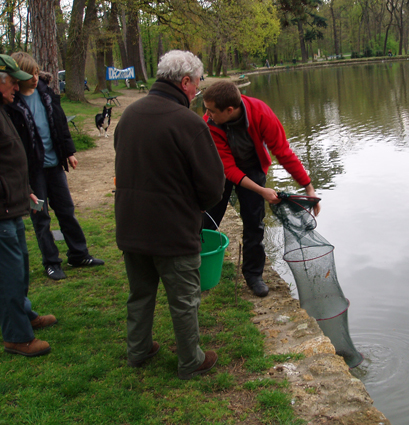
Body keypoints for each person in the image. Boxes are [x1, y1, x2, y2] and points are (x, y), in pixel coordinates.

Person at [114, 50, 225, 379]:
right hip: (173, 230)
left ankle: (138, 350)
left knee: (140, 292)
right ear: (185, 81)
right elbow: (213, 185)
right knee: (184, 299)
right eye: (197, 85)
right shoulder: (188, 122)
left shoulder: (130, 115)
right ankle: (191, 360)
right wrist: (199, 204)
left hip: (132, 225)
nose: (198, 93)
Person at [202, 80, 320, 298]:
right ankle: (194, 264)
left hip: (252, 166)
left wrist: (308, 186)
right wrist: (262, 190)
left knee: (254, 224)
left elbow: (283, 152)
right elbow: (228, 169)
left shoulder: (261, 113)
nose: (206, 115)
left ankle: (253, 274)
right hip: (220, 168)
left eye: (210, 110)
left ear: (229, 110)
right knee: (208, 216)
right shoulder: (209, 124)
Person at [6, 52, 104, 281]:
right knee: (41, 217)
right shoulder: (11, 103)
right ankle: (51, 262)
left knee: (66, 211)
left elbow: (60, 124)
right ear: (17, 76)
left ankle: (79, 254)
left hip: (54, 168)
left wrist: (69, 152)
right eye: (29, 74)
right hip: (33, 173)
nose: (34, 77)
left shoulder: (46, 93)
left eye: (36, 72)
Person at [0, 54, 57, 357]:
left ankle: (25, 315)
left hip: (14, 204)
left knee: (20, 266)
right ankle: (16, 336)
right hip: (2, 212)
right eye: (13, 83)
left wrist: (24, 191)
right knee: (8, 273)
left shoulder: (3, 109)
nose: (17, 89)